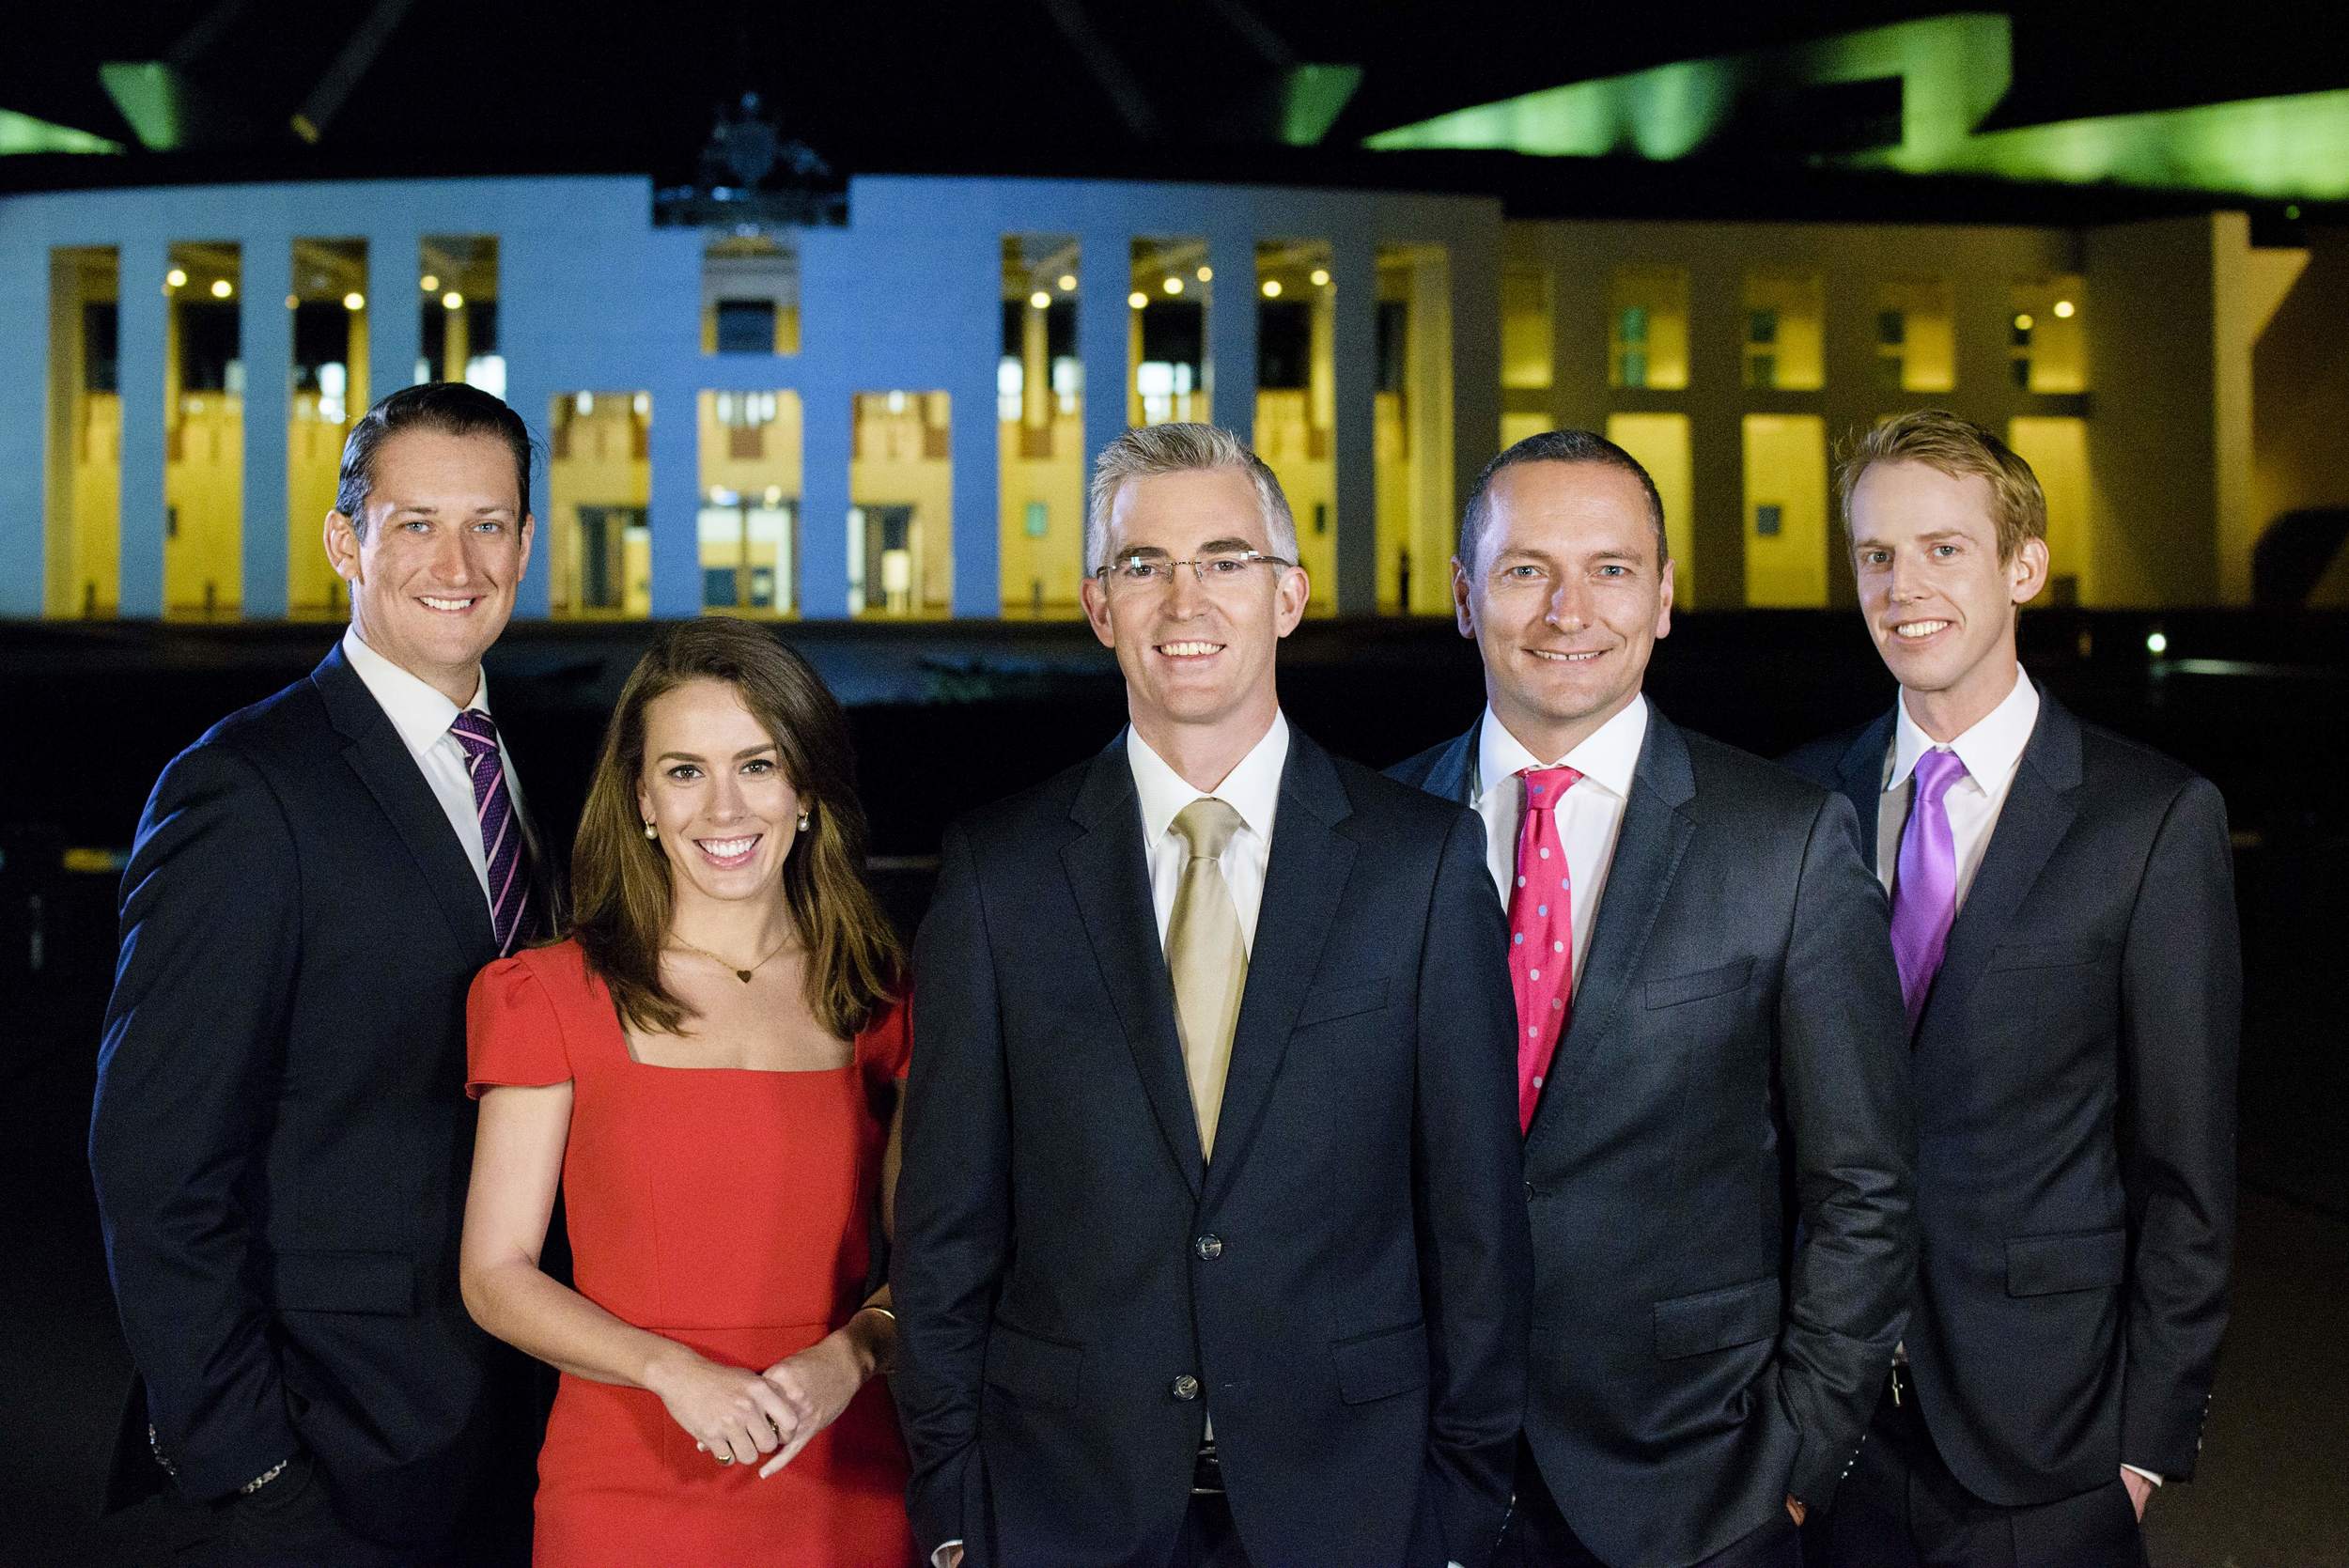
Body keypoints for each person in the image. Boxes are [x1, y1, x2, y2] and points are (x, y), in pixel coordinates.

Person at [892, 423, 1529, 1568]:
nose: (1185, 599)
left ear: (1286, 595)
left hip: (1357, 1509)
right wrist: (952, 1505)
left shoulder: (1421, 865)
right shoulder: (1000, 872)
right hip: (1062, 1508)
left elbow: (1476, 1229)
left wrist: (1456, 1514)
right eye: (1144, 566)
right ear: (1100, 606)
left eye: (1225, 559)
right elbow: (946, 1229)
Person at [1390, 430, 1916, 1568]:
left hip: (1695, 1484)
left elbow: (1862, 1183)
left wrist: (1796, 1458)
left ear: (1665, 597)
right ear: (1463, 596)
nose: (1567, 609)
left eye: (1611, 568)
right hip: (1408, 1473)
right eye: (1526, 568)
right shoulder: (1370, 831)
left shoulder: (1782, 841)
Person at [88, 382, 548, 1564]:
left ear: (527, 543)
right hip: (317, 1458)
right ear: (346, 540)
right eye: (415, 522)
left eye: (488, 523)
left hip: (511, 1435)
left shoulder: (532, 774)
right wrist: (251, 1471)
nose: (457, 561)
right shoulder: (244, 789)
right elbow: (158, 1164)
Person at [1783, 410, 2238, 1568]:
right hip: (1827, 1438)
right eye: (1876, 555)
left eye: (1943, 549)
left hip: (2048, 1447)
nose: (1903, 586)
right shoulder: (1798, 808)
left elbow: (2185, 1165)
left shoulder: (2148, 819)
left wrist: (2145, 1448)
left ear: (2022, 565)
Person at [459, 616, 916, 1567]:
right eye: (683, 771)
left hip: (841, 1473)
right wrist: (671, 1372)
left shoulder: (879, 999)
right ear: (640, 800)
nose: (722, 807)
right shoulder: (549, 993)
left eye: (756, 764)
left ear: (804, 793)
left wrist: (855, 1352)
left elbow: (930, 1265)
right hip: (621, 1485)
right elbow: (494, 1275)